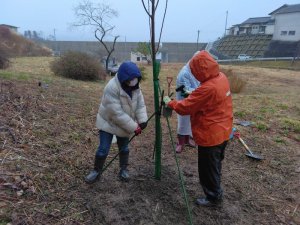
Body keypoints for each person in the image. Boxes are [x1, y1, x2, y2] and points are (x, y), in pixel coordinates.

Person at [164, 50, 233, 207]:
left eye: (195, 71)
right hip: (224, 129)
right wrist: (191, 93)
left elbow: (185, 107)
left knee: (207, 168)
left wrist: (170, 102)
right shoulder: (221, 78)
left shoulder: (208, 88)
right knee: (215, 164)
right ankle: (215, 189)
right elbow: (197, 95)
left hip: (211, 134)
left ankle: (213, 197)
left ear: (200, 70)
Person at [85, 61, 148, 184]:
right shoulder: (112, 87)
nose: (134, 81)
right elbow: (116, 114)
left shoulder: (136, 88)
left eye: (136, 79)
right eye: (131, 79)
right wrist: (134, 126)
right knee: (103, 150)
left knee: (124, 149)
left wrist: (143, 120)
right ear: (124, 78)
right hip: (108, 123)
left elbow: (140, 105)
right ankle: (96, 171)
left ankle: (123, 170)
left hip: (124, 125)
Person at [175, 56, 200, 153]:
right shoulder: (184, 73)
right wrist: (200, 92)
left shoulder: (194, 70)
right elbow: (184, 91)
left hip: (193, 100)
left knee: (189, 121)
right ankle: (180, 142)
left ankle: (187, 139)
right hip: (184, 101)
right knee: (183, 122)